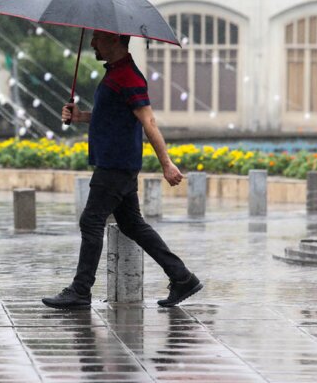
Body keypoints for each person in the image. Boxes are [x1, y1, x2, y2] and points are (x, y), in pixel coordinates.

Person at [42, 30, 202, 309]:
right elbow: (112, 115)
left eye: (98, 39)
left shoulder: (128, 76)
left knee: (90, 221)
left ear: (115, 40)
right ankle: (182, 278)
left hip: (116, 165)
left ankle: (80, 291)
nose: (92, 43)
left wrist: (167, 164)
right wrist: (80, 116)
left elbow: (148, 120)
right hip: (118, 162)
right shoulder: (116, 73)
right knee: (132, 224)